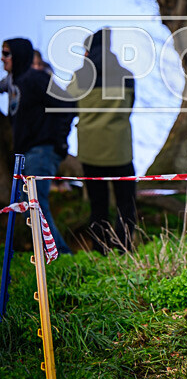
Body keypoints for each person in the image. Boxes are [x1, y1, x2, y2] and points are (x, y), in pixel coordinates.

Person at [2, 38, 74, 254]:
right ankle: (50, 254)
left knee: (35, 204)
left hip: (42, 150)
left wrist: (59, 141)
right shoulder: (15, 83)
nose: (2, 58)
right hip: (26, 154)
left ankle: (60, 253)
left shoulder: (36, 78)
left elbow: (66, 105)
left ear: (19, 55)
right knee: (28, 205)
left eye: (6, 54)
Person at [68, 28, 137, 253]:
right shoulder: (126, 74)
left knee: (98, 206)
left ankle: (99, 249)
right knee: (126, 204)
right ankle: (123, 248)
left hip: (90, 150)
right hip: (120, 150)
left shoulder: (79, 76)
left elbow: (70, 106)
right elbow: (130, 107)